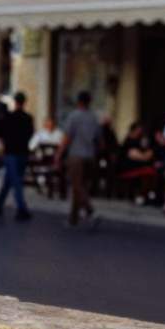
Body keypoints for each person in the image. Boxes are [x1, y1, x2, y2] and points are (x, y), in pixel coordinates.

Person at [56, 90, 102, 229]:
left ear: (78, 102)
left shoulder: (74, 116)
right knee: (81, 186)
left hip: (76, 154)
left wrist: (59, 154)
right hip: (90, 155)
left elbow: (67, 137)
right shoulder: (94, 118)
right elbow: (99, 140)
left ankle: (90, 211)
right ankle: (73, 218)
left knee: (77, 185)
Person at [0, 92, 34, 221]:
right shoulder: (28, 118)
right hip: (22, 152)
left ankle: (18, 207)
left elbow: (1, 134)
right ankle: (3, 204)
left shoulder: (9, 118)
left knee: (13, 180)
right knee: (14, 179)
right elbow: (30, 134)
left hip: (11, 152)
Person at [117, 122, 158, 205]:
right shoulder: (128, 141)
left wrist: (145, 156)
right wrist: (143, 157)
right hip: (130, 165)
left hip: (141, 163)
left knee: (151, 172)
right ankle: (141, 195)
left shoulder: (142, 140)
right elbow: (132, 154)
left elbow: (148, 152)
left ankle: (147, 194)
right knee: (146, 172)